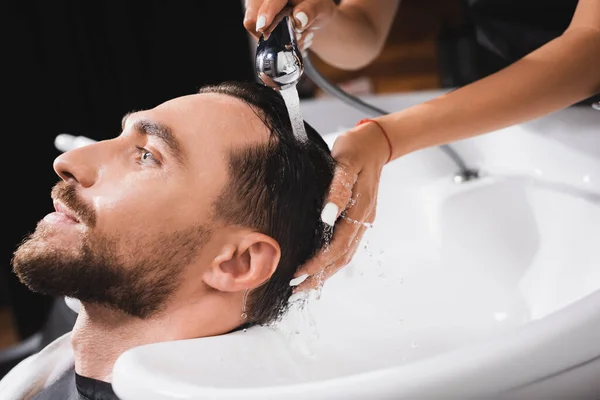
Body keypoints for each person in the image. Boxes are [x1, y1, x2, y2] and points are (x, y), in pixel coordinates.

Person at [0, 81, 336, 400]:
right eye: (120, 136)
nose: (68, 163)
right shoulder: (50, 366)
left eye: (147, 155)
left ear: (238, 262)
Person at [243, 0, 600, 292]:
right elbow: (365, 31)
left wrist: (387, 137)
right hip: (521, 98)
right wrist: (322, 18)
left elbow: (591, 48)